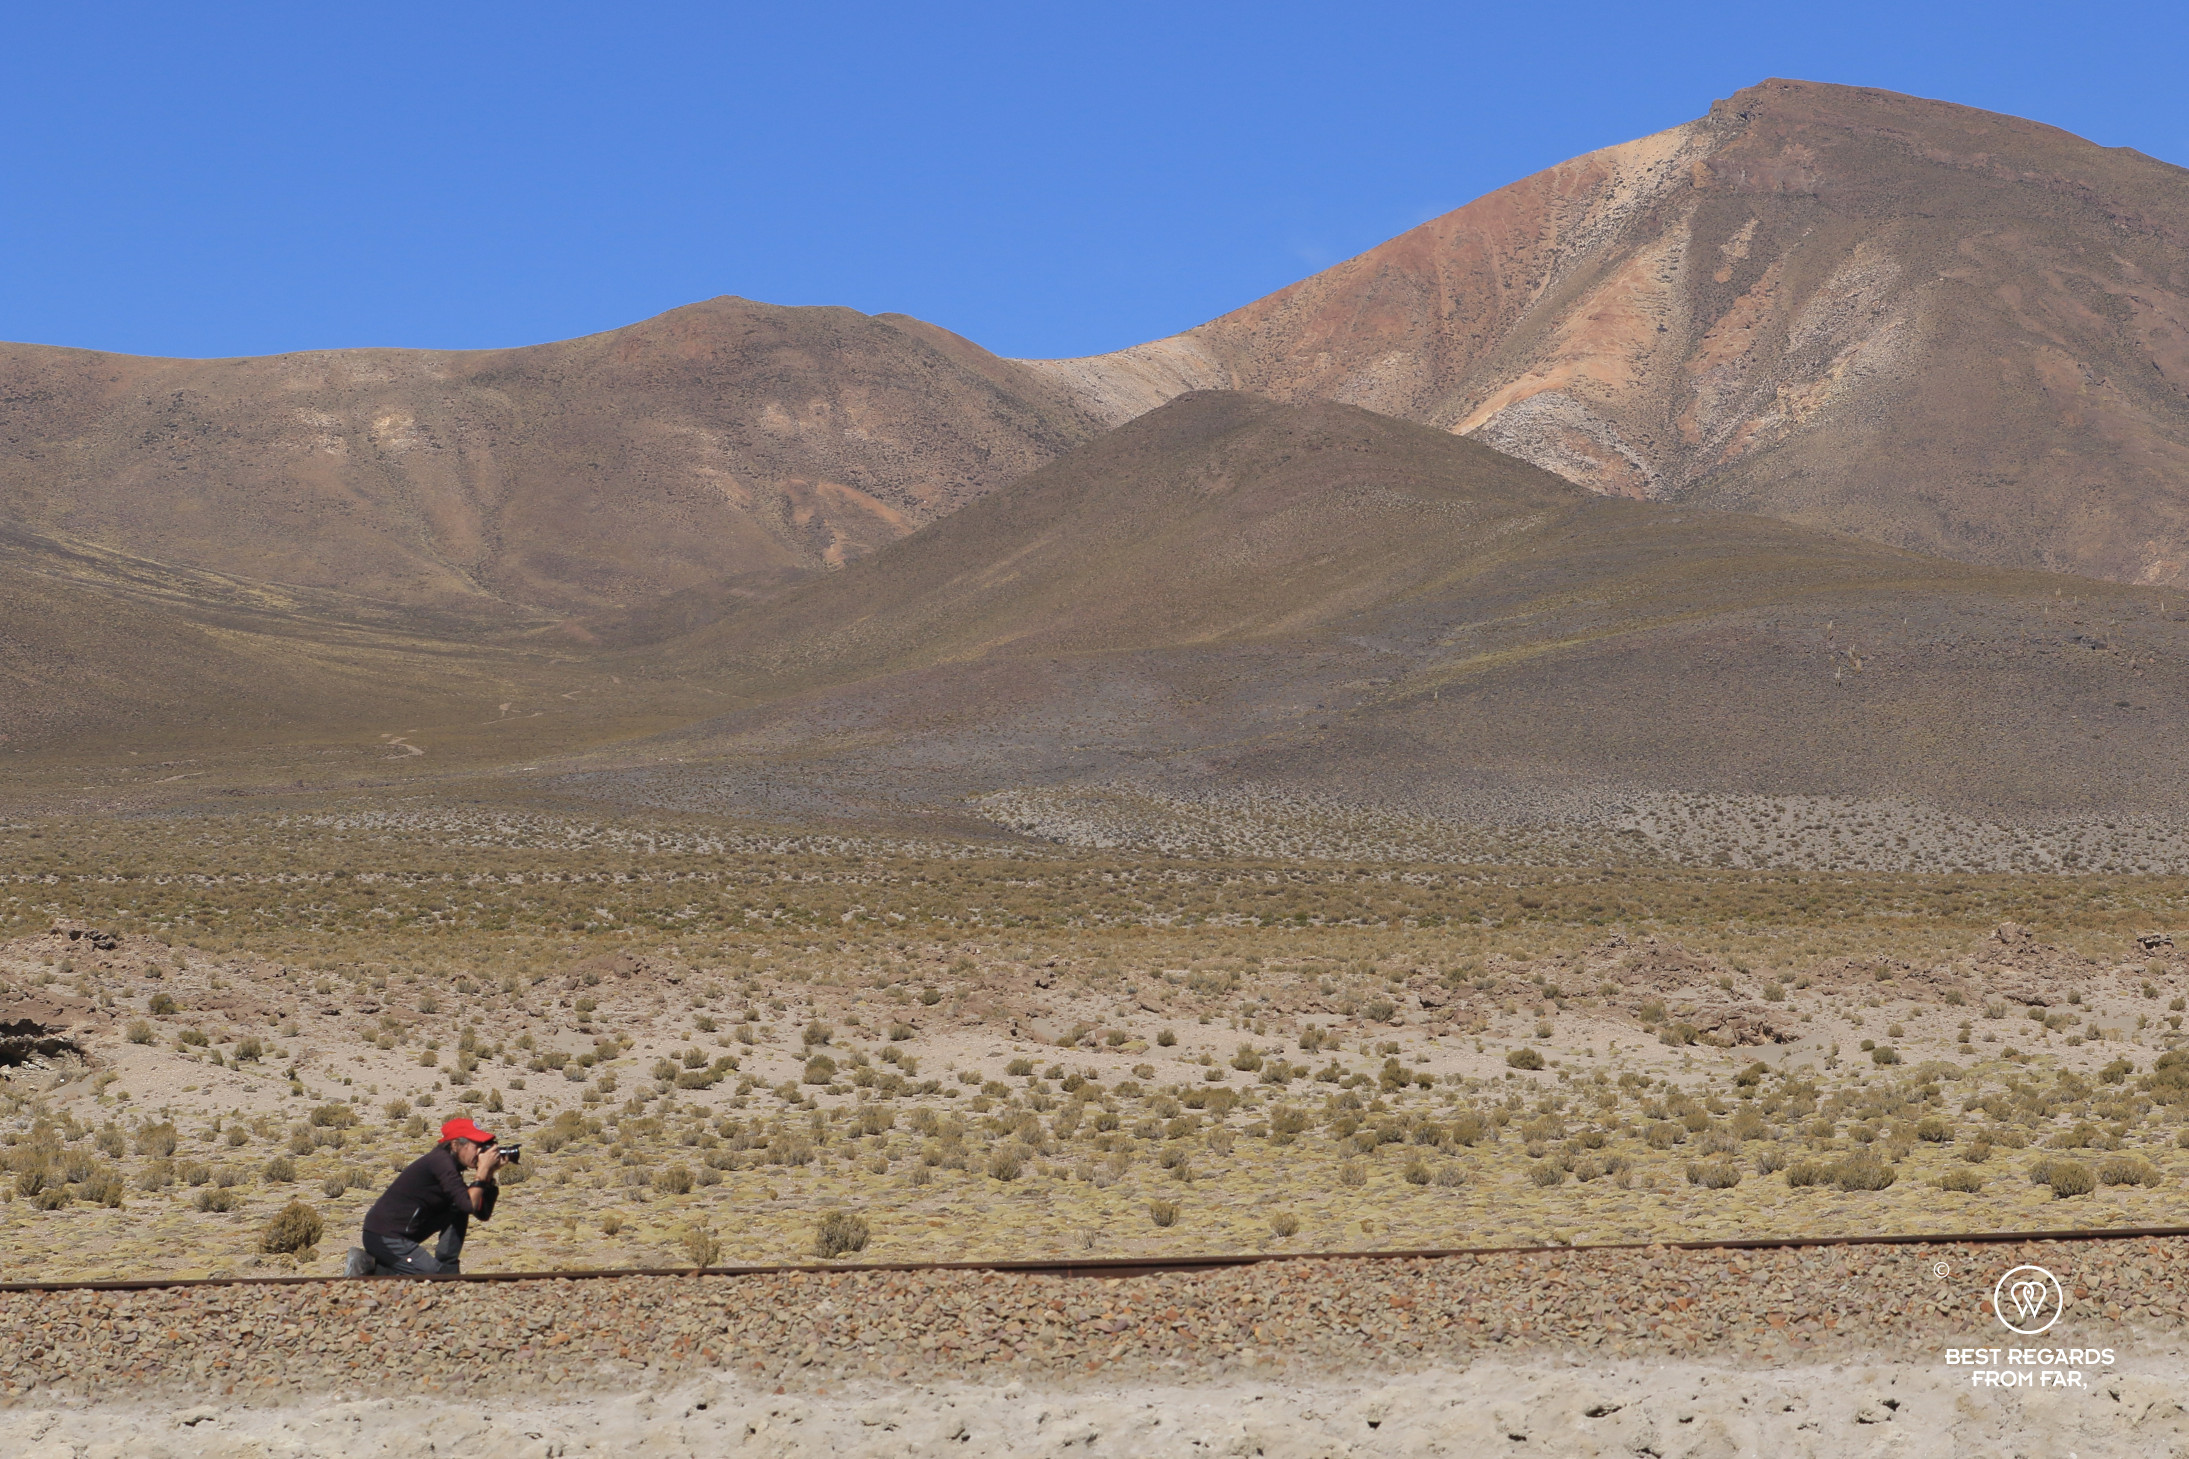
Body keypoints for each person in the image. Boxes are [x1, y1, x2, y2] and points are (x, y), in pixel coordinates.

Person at [344, 1116, 506, 1277]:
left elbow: (480, 1212)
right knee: (434, 1276)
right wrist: (482, 1170)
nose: (480, 1152)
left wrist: (489, 1173)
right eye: (476, 1145)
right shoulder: (440, 1163)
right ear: (455, 1145)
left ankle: (447, 1267)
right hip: (384, 1236)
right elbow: (468, 1204)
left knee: (455, 1210)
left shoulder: (449, 1166)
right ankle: (367, 1263)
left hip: (402, 1235)